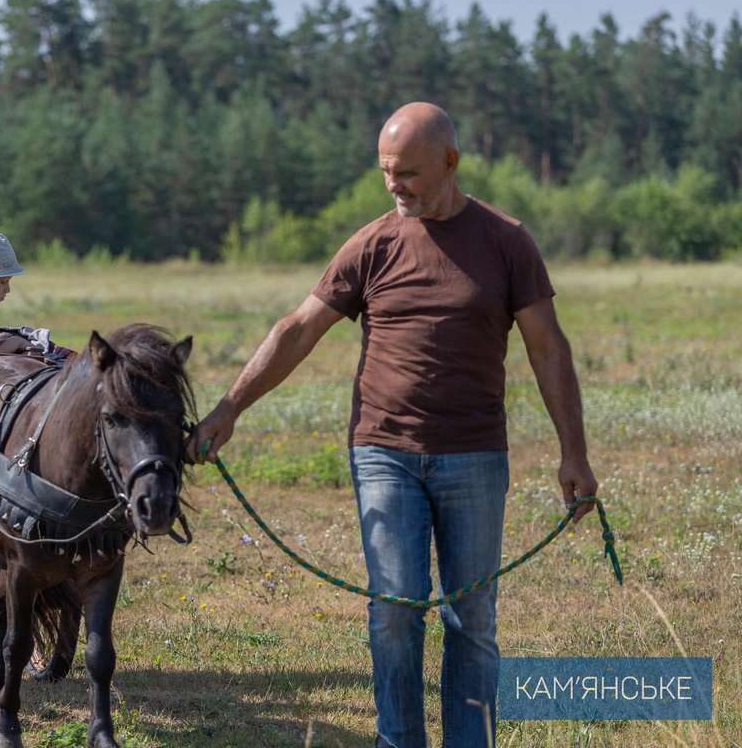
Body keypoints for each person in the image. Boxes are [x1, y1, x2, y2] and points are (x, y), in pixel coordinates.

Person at [190, 102, 599, 748]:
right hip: (383, 453)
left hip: (475, 458)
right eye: (386, 172)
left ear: (451, 162)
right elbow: (298, 329)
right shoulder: (373, 244)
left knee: (472, 617)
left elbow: (549, 349)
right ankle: (397, 740)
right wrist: (230, 408)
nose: (395, 185)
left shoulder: (506, 241)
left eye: (408, 172)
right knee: (396, 609)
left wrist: (573, 453)